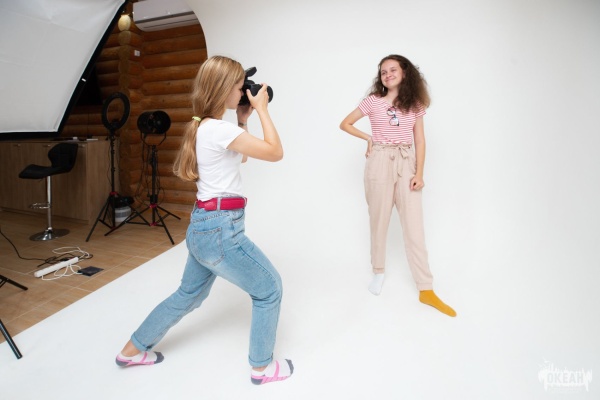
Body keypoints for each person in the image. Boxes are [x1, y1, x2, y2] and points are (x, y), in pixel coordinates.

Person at [115, 55, 294, 384]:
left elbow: (241, 157)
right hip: (222, 231)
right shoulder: (218, 130)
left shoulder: (208, 128)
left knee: (189, 295)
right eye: (240, 87)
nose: (244, 92)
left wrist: (243, 119)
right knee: (269, 290)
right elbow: (274, 152)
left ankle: (131, 350)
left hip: (204, 228)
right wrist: (263, 109)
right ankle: (262, 367)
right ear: (224, 89)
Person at [340, 54, 456, 317]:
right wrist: (368, 138)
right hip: (380, 159)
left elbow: (421, 141)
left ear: (405, 72)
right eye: (383, 72)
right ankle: (378, 271)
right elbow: (345, 123)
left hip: (406, 161)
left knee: (414, 225)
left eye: (393, 70)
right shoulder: (372, 101)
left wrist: (419, 173)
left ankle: (425, 287)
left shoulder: (415, 104)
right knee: (379, 219)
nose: (387, 74)